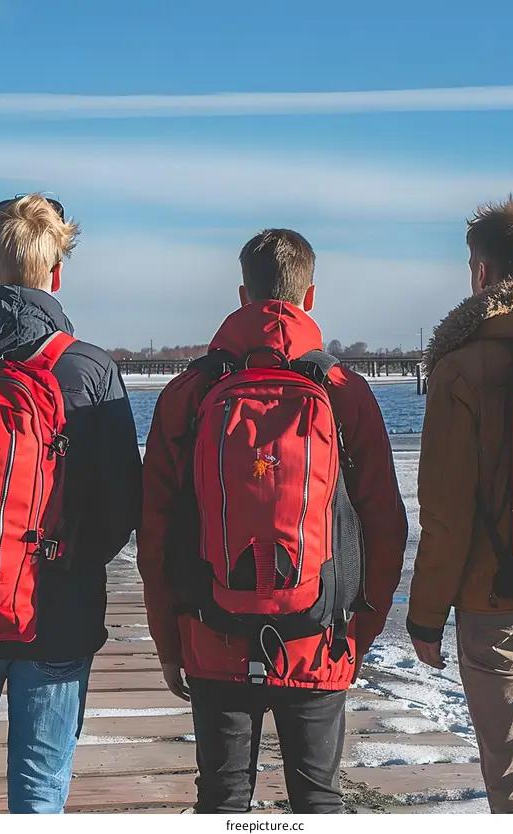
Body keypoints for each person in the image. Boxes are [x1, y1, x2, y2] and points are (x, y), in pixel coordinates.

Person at [139, 228, 407, 814]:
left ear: (243, 295)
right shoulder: (345, 391)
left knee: (222, 800)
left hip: (211, 631)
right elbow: (386, 525)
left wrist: (168, 640)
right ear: (309, 296)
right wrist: (360, 631)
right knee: (318, 801)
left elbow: (153, 532)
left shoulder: (188, 392)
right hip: (320, 636)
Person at [0, 194, 142, 814]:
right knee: (39, 791)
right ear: (56, 273)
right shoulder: (87, 369)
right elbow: (121, 504)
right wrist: (64, 559)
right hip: (55, 609)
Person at [408, 196, 513, 814]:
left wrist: (425, 618)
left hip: (497, 603)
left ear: (480, 271)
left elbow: (446, 513)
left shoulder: (462, 367)